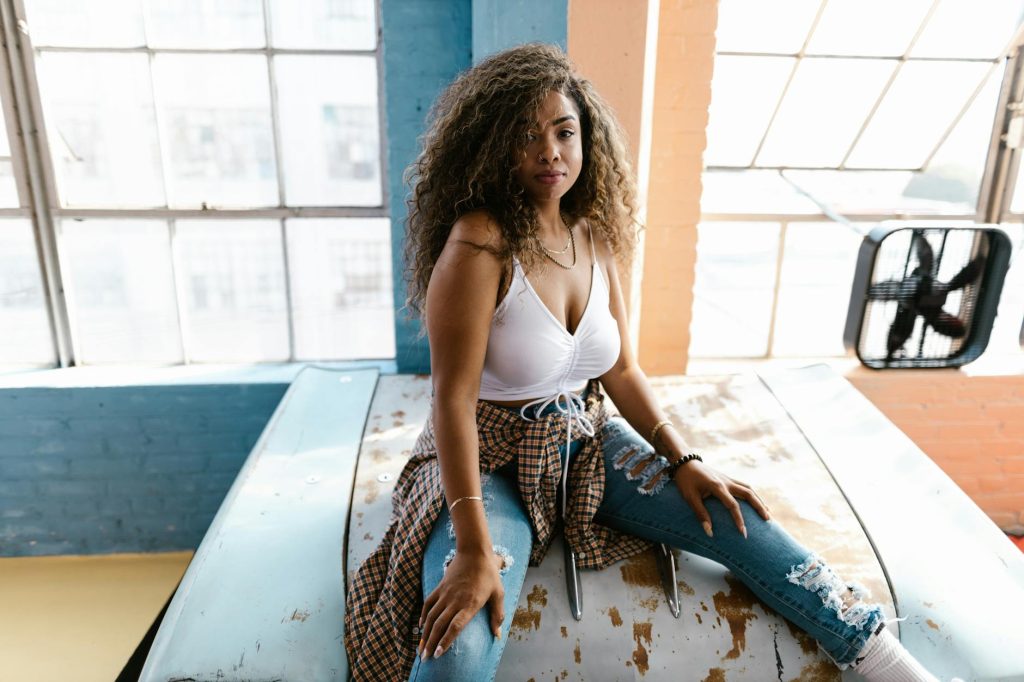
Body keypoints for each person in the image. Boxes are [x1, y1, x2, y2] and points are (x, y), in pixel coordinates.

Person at [344, 43, 945, 682]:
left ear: (585, 141)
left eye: (564, 132)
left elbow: (622, 370)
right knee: (461, 637)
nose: (550, 151)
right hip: (489, 454)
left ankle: (886, 662)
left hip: (584, 437)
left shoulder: (593, 236)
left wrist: (683, 458)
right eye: (526, 134)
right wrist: (471, 546)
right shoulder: (480, 241)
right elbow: (452, 400)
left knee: (737, 517)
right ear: (492, 146)